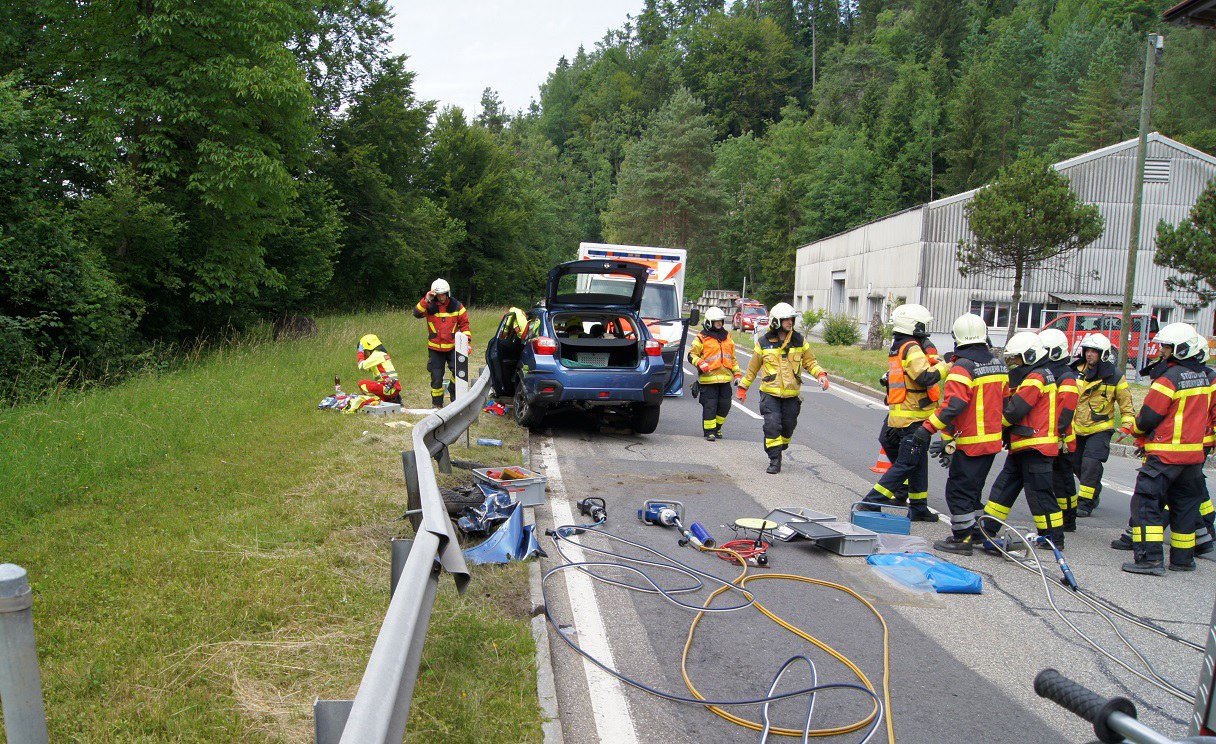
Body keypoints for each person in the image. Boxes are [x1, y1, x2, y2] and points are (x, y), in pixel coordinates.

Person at [1121, 323, 1212, 575]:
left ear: (1180, 349)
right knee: (1185, 507)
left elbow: (1149, 417)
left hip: (1165, 455)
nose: (1162, 351)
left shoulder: (1168, 379)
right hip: (1193, 457)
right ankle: (1183, 560)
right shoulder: (1203, 377)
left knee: (1146, 504)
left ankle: (1149, 559)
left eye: (1167, 347)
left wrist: (1134, 428)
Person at [922, 314, 1009, 555]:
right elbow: (1004, 402)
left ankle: (962, 538)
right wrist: (948, 440)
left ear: (957, 338)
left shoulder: (962, 367)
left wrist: (927, 428)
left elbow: (954, 405)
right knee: (974, 490)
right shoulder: (998, 365)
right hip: (992, 442)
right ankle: (977, 532)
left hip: (970, 442)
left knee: (958, 491)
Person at [977, 332, 1067, 550]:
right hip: (1025, 444)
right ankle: (988, 527)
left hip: (1035, 445)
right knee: (1004, 487)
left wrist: (994, 427)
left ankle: (1053, 537)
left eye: (1016, 358)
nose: (1014, 363)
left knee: (1040, 494)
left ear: (1029, 356)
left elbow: (1016, 409)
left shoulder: (1036, 378)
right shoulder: (1038, 374)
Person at [859, 304, 948, 521]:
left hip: (902, 415)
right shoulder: (912, 347)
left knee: (918, 463)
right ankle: (871, 502)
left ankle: (918, 508)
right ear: (914, 325)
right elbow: (925, 377)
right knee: (907, 463)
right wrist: (947, 366)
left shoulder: (898, 345)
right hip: (914, 416)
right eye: (922, 324)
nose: (924, 328)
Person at [737, 303, 829, 474]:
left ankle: (781, 445)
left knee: (788, 426)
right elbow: (752, 368)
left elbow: (810, 362)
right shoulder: (763, 342)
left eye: (791, 319)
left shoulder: (799, 341)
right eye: (786, 319)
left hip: (791, 395)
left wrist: (820, 374)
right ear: (776, 321)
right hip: (770, 393)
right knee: (772, 425)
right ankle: (774, 459)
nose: (790, 322)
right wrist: (743, 388)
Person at [1069, 334, 1135, 518]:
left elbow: (1126, 405)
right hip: (1076, 427)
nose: (1089, 354)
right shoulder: (1074, 371)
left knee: (1091, 464)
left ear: (1103, 354)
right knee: (1076, 464)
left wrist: (1127, 426)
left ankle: (1085, 503)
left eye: (1094, 351)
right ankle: (1094, 490)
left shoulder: (1115, 376)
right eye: (1087, 351)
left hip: (1100, 428)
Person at [1039, 328, 1080, 531]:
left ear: (1054, 352)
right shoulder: (1053, 375)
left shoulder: (1066, 377)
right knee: (1058, 481)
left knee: (1063, 482)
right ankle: (1065, 517)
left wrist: (1054, 434)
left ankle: (1068, 519)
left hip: (1061, 440)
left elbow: (1065, 414)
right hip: (1053, 437)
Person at [413, 278, 471, 408]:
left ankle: (454, 394)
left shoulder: (457, 306)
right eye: (438, 295)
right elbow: (416, 313)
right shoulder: (429, 306)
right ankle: (437, 404)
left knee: (459, 372)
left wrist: (467, 344)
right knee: (436, 378)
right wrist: (426, 299)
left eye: (443, 294)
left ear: (448, 293)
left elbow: (465, 326)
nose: (441, 297)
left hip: (453, 347)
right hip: (435, 349)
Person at [688, 307, 743, 441]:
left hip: (725, 380)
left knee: (725, 405)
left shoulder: (727, 336)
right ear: (709, 322)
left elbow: (732, 358)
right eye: (716, 321)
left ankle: (717, 428)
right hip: (708, 380)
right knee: (710, 406)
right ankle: (709, 432)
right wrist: (700, 363)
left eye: (721, 321)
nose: (719, 323)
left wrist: (737, 374)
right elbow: (691, 355)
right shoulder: (701, 337)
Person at [356, 333, 402, 403]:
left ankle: (380, 400)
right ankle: (386, 400)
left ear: (369, 348)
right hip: (392, 387)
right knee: (373, 387)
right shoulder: (381, 354)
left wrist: (360, 353)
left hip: (388, 388)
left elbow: (361, 366)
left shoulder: (376, 355)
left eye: (365, 352)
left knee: (362, 384)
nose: (365, 355)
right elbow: (367, 368)